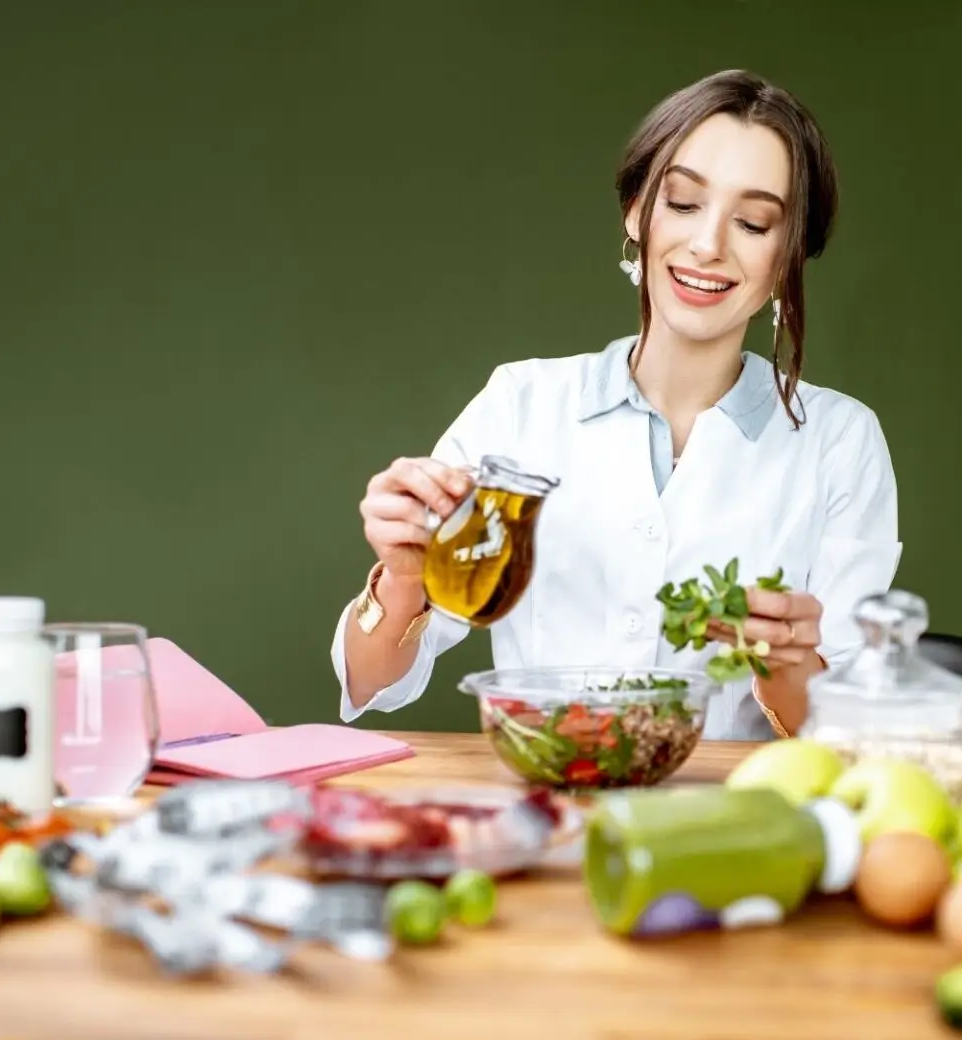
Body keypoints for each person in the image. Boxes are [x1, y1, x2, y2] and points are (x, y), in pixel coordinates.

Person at [331, 69, 900, 740]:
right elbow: (369, 682)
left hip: (732, 803)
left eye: (753, 222)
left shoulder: (840, 442)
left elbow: (850, 732)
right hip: (549, 787)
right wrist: (404, 579)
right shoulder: (520, 407)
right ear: (636, 212)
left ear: (789, 254)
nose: (708, 244)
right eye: (683, 203)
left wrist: (789, 661)